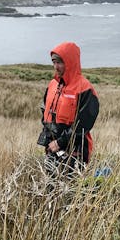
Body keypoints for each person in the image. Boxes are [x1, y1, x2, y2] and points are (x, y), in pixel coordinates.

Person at [38, 42, 99, 175]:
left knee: (72, 190)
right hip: (52, 148)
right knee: (51, 188)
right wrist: (48, 138)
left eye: (59, 62)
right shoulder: (52, 85)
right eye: (53, 62)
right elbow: (45, 113)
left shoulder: (85, 88)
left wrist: (60, 142)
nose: (56, 66)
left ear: (70, 61)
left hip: (76, 151)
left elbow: (83, 125)